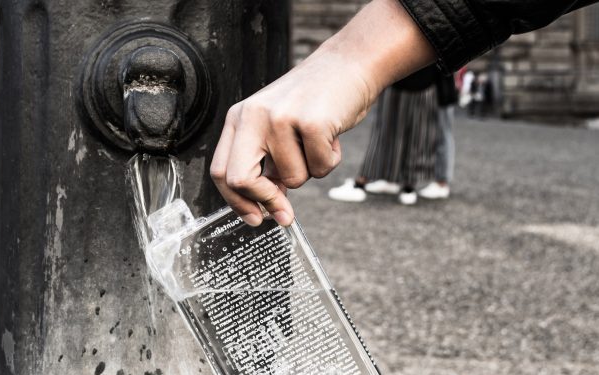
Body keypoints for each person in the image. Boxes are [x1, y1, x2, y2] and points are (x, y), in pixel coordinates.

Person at [209, 0, 597, 227]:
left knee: (417, 132)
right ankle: (401, 182)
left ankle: (409, 182)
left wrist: (352, 56)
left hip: (420, 72)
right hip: (416, 65)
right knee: (409, 133)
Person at [327, 65, 441, 205]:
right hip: (426, 81)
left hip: (399, 79)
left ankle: (361, 183)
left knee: (386, 135)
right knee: (418, 136)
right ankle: (407, 187)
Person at [418, 71, 458, 199]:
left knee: (443, 135)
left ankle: (442, 181)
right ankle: (441, 180)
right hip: (442, 92)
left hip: (442, 94)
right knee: (442, 135)